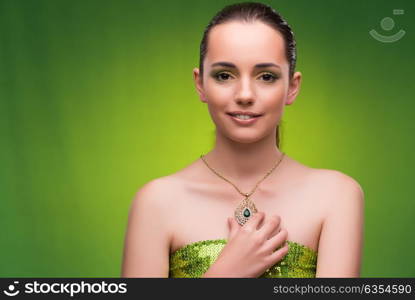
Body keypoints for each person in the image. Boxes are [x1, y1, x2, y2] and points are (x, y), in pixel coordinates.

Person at [121, 1, 364, 278]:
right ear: (200, 84)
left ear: (292, 87)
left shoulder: (335, 195)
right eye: (225, 75)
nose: (245, 94)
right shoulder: (156, 202)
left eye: (266, 76)